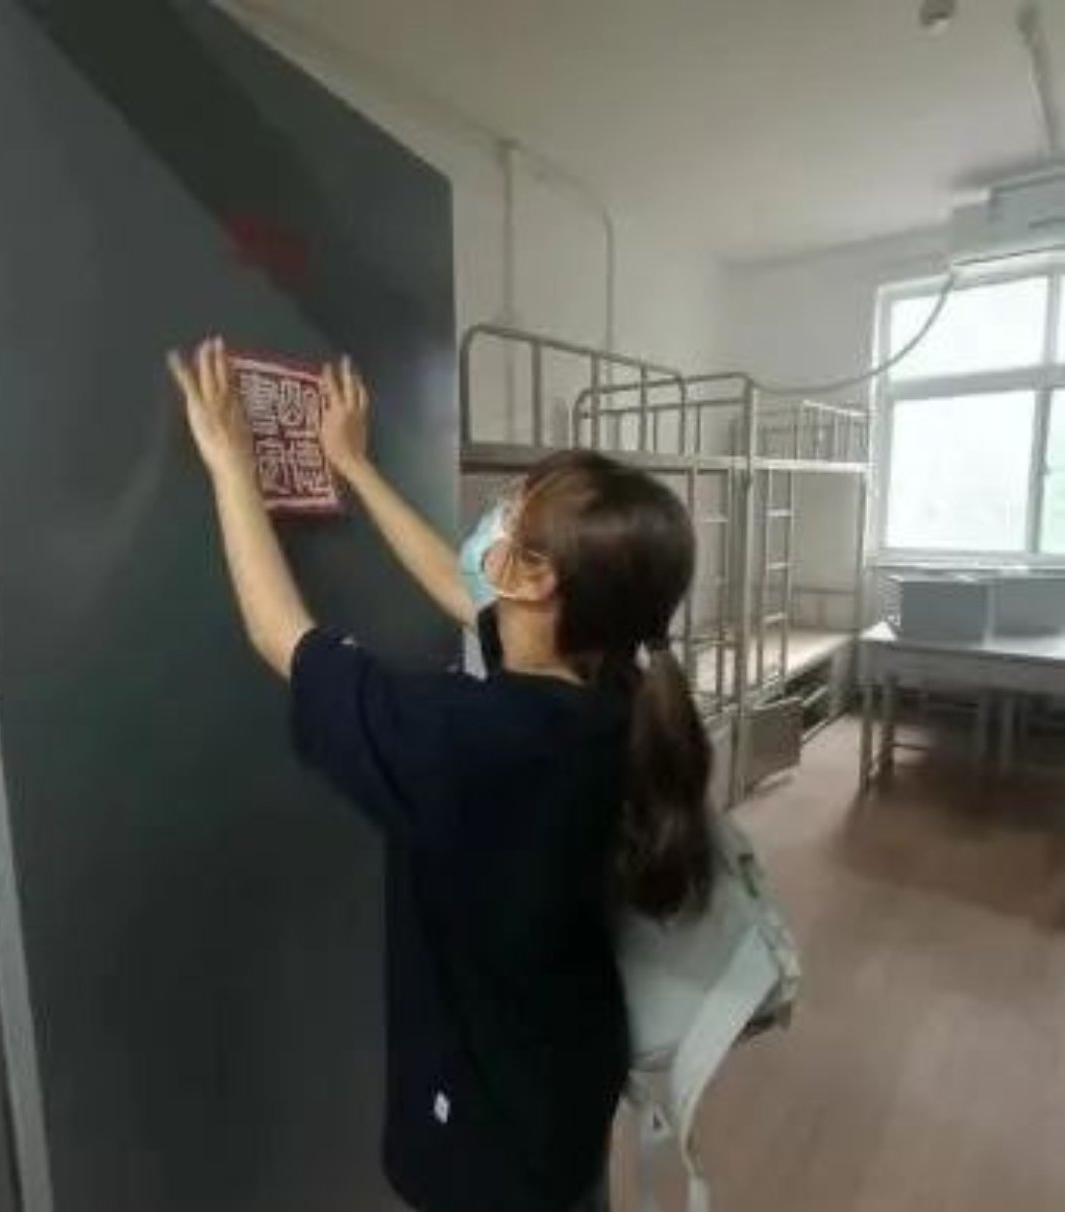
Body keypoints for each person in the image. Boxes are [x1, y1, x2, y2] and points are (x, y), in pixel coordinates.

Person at [167, 338, 715, 1212]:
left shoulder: (475, 736)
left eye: (509, 510)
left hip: (488, 1138)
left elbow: (282, 637)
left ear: (538, 580)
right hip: (566, 1079)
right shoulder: (613, 685)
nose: (493, 519)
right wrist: (354, 466)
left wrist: (230, 463)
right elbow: (459, 587)